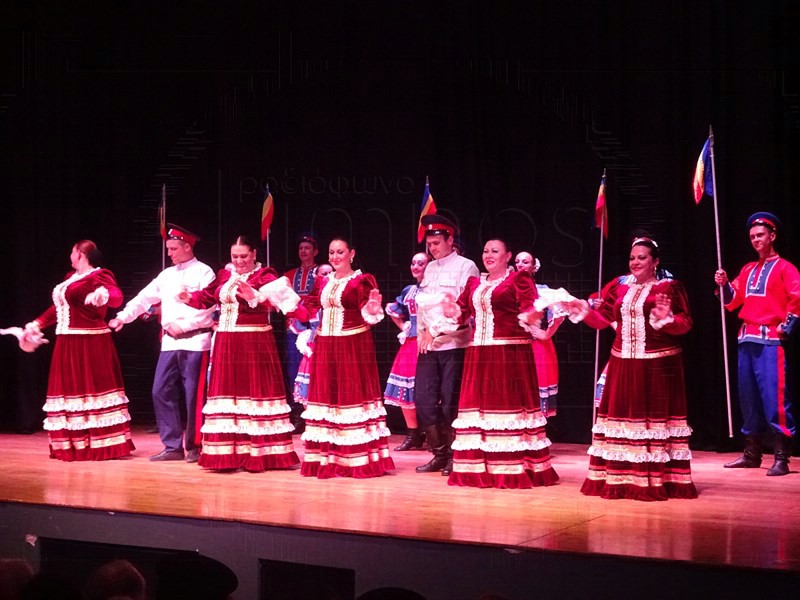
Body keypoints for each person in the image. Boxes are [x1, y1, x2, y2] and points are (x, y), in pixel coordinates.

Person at [568, 234, 698, 500]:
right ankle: (620, 478)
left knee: (652, 423)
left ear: (655, 261)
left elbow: (685, 323)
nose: (635, 262)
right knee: (623, 422)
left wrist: (667, 319)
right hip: (623, 364)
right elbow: (603, 319)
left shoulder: (669, 287)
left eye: (642, 258)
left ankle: (654, 479)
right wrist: (584, 311)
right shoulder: (619, 287)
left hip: (657, 366)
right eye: (632, 258)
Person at [177, 235, 301, 471]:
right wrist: (189, 298)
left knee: (253, 393)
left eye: (244, 256)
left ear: (254, 254)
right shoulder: (226, 275)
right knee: (228, 395)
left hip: (253, 342)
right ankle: (228, 453)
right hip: (226, 342)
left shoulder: (264, 276)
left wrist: (255, 297)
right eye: (235, 256)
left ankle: (260, 452)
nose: (239, 261)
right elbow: (208, 296)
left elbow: (279, 303)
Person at [444, 239, 558, 488]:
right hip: (478, 355)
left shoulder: (519, 279)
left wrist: (532, 314)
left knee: (506, 407)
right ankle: (477, 467)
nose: (488, 255)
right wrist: (451, 311)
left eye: (495, 251)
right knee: (479, 411)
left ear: (508, 256)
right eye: (485, 251)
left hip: (508, 354)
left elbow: (530, 308)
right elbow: (460, 312)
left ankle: (509, 466)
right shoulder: (474, 283)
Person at [109, 224, 215, 463]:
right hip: (169, 343)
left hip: (195, 341)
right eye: (168, 249)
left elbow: (209, 306)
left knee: (194, 396)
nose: (170, 253)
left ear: (187, 247)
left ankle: (195, 445)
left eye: (174, 249)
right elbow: (143, 298)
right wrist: (123, 317)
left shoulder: (204, 272)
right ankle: (172, 446)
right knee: (160, 390)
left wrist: (185, 326)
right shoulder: (166, 275)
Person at [23, 240, 134, 461]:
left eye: (72, 252)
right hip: (67, 342)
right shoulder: (70, 278)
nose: (70, 256)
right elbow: (58, 308)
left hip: (90, 343)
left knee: (92, 391)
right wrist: (38, 323)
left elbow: (116, 296)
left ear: (80, 254)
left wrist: (104, 295)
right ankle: (74, 443)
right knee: (69, 392)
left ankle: (100, 443)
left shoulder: (99, 276)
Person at [296, 237, 394, 478]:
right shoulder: (323, 281)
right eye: (331, 252)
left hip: (351, 346)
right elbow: (308, 308)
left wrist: (372, 309)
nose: (335, 257)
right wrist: (284, 300)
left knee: (350, 398)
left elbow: (369, 310)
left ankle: (354, 458)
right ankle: (327, 456)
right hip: (325, 347)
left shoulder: (361, 280)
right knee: (327, 399)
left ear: (352, 253)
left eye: (340, 252)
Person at [715, 212, 800, 476]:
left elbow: (797, 298)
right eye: (752, 236)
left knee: (775, 399)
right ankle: (752, 453)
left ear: (772, 236)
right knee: (748, 398)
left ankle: (782, 457)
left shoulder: (786, 268)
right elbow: (732, 301)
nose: (755, 240)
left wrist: (786, 326)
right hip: (746, 339)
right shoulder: (748, 269)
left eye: (760, 235)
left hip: (770, 341)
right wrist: (724, 284)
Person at [414, 214, 480, 474]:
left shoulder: (466, 267)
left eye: (437, 243)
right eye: (429, 244)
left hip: (454, 344)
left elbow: (461, 310)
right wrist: (422, 333)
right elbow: (423, 306)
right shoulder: (430, 268)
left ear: (450, 240)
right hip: (428, 345)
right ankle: (439, 452)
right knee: (424, 400)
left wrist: (433, 332)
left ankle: (455, 454)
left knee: (451, 401)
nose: (432, 248)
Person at [384, 252, 430, 451]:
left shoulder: (435, 289)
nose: (416, 266)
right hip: (410, 344)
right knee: (405, 390)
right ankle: (413, 434)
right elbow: (394, 310)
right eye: (413, 263)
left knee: (428, 391)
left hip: (430, 342)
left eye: (421, 263)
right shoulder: (409, 290)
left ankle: (433, 434)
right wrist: (404, 326)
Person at [515, 251, 565, 417]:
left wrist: (546, 334)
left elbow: (560, 312)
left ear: (534, 267)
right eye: (517, 261)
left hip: (536, 347)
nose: (520, 265)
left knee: (535, 394)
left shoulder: (542, 290)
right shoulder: (508, 288)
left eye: (525, 262)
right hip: (513, 346)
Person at [283, 233, 320, 429]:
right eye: (301, 248)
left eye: (307, 248)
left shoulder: (322, 274)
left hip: (315, 328)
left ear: (315, 251)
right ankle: (298, 415)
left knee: (314, 371)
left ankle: (315, 413)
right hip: (293, 328)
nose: (303, 251)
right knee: (294, 370)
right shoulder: (289, 275)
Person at [292, 263, 332, 405]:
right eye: (324, 274)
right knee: (309, 388)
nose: (327, 277)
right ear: (316, 276)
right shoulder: (310, 301)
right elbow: (301, 324)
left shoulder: (339, 301)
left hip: (335, 346)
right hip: (315, 348)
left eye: (330, 273)